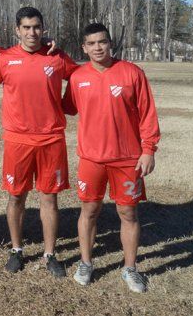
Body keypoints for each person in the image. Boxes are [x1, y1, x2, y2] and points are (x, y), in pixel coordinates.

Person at [62, 23, 160, 293]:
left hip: (127, 159)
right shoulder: (78, 77)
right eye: (91, 43)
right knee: (89, 210)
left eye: (102, 42)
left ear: (110, 43)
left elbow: (148, 113)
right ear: (84, 48)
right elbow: (65, 107)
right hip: (91, 159)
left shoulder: (132, 73)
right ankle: (85, 262)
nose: (98, 47)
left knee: (128, 212)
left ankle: (130, 268)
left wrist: (149, 149)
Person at [0, 7, 78, 277]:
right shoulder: (4, 59)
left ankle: (50, 254)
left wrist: (68, 104)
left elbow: (79, 78)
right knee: (16, 196)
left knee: (49, 197)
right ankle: (16, 249)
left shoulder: (57, 57)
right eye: (26, 28)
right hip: (17, 140)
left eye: (37, 27)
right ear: (17, 30)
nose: (32, 32)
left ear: (43, 29)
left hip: (51, 139)